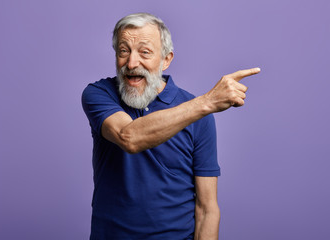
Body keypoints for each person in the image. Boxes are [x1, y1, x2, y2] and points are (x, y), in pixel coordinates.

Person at [82, 12, 260, 240]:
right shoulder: (99, 94)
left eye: (144, 52)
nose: (132, 63)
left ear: (166, 59)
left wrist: (203, 106)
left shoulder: (200, 115)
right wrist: (207, 102)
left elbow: (207, 209)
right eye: (124, 51)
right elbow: (130, 137)